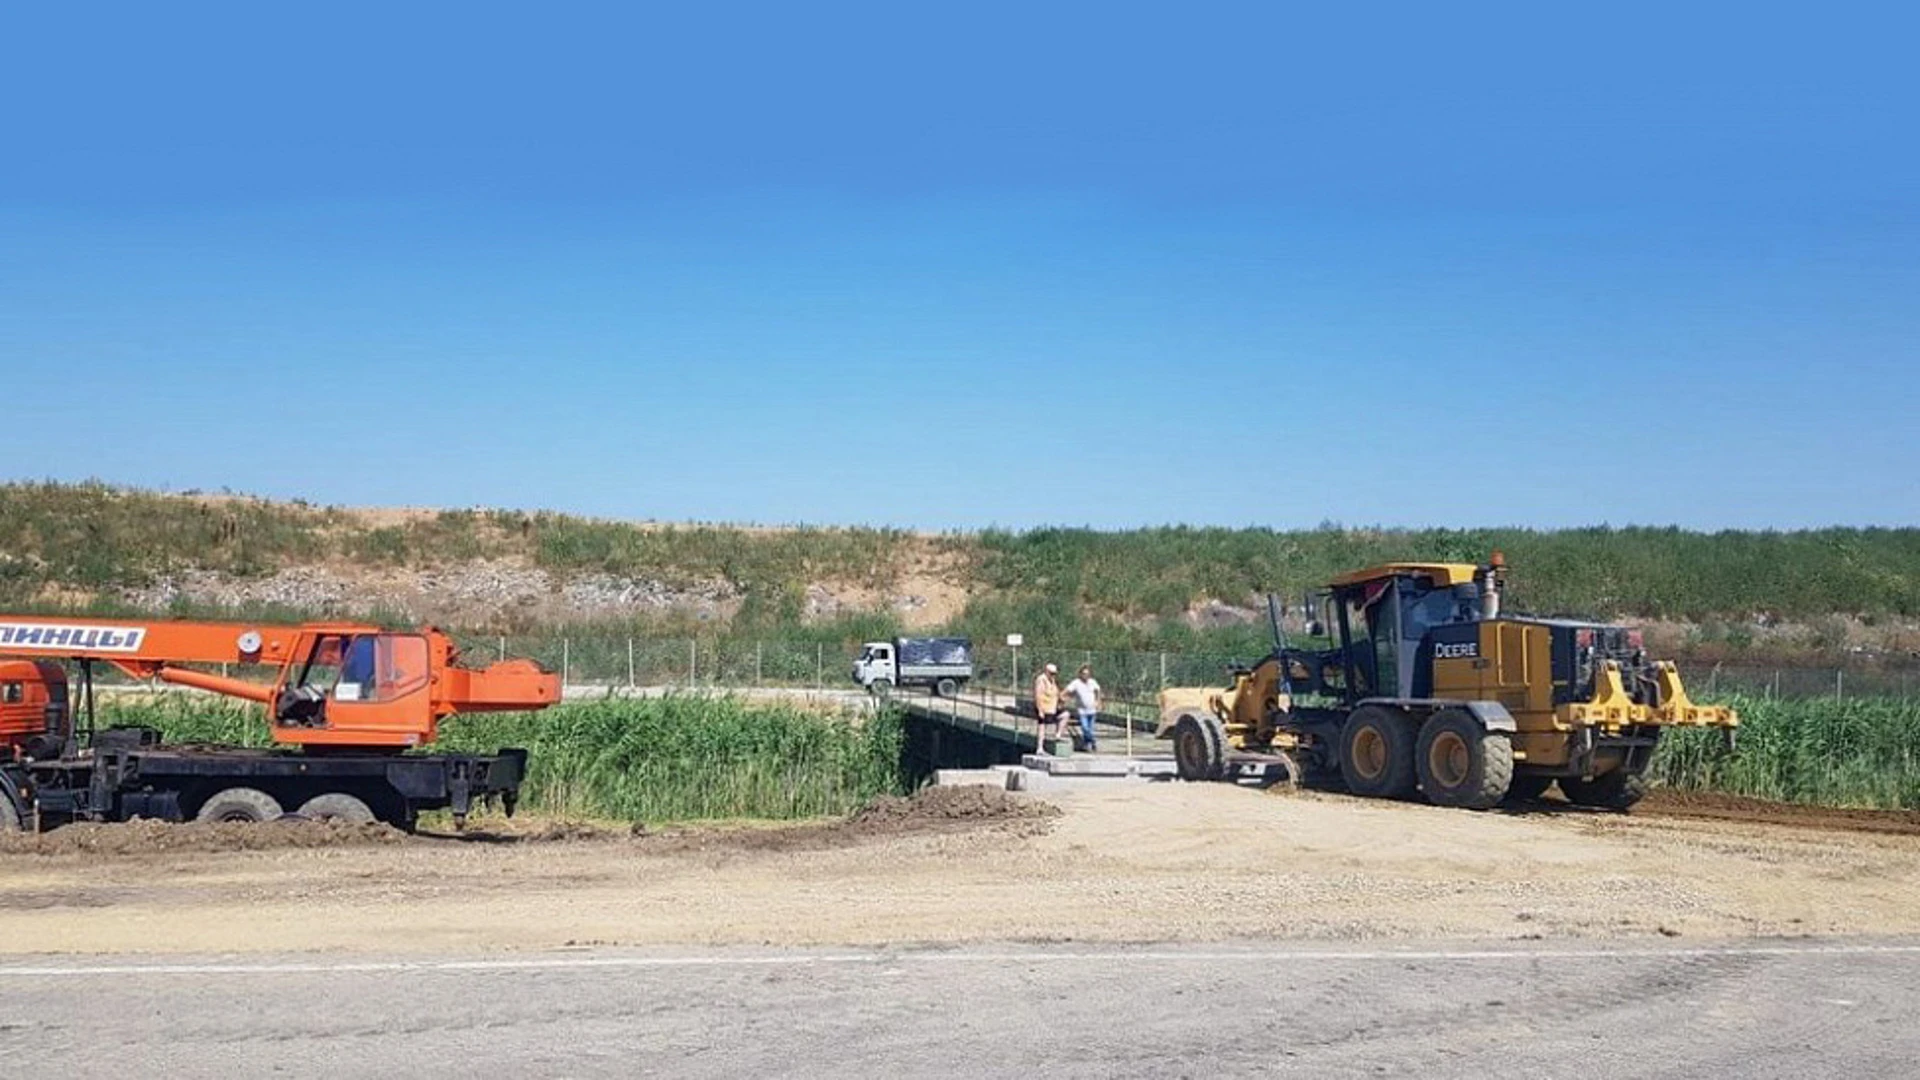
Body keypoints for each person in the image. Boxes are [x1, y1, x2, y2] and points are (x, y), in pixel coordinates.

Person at [1032, 663, 1070, 750]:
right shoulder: (1041, 679)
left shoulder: (1053, 681)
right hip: (1044, 707)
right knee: (1042, 727)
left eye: (1054, 673)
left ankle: (1058, 735)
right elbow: (1038, 695)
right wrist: (1040, 710)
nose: (1053, 675)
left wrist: (1061, 699)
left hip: (1052, 708)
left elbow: (1056, 692)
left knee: (1065, 715)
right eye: (1052, 673)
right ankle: (1040, 748)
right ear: (1047, 671)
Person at [1064, 665, 1102, 751]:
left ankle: (1087, 744)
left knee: (1090, 729)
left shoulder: (1092, 682)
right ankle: (1092, 740)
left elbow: (1098, 690)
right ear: (1080, 674)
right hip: (1082, 711)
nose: (1086, 676)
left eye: (1087, 674)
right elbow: (1068, 690)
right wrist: (1062, 696)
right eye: (1084, 674)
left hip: (1092, 710)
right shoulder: (1076, 683)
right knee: (1085, 728)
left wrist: (1098, 701)